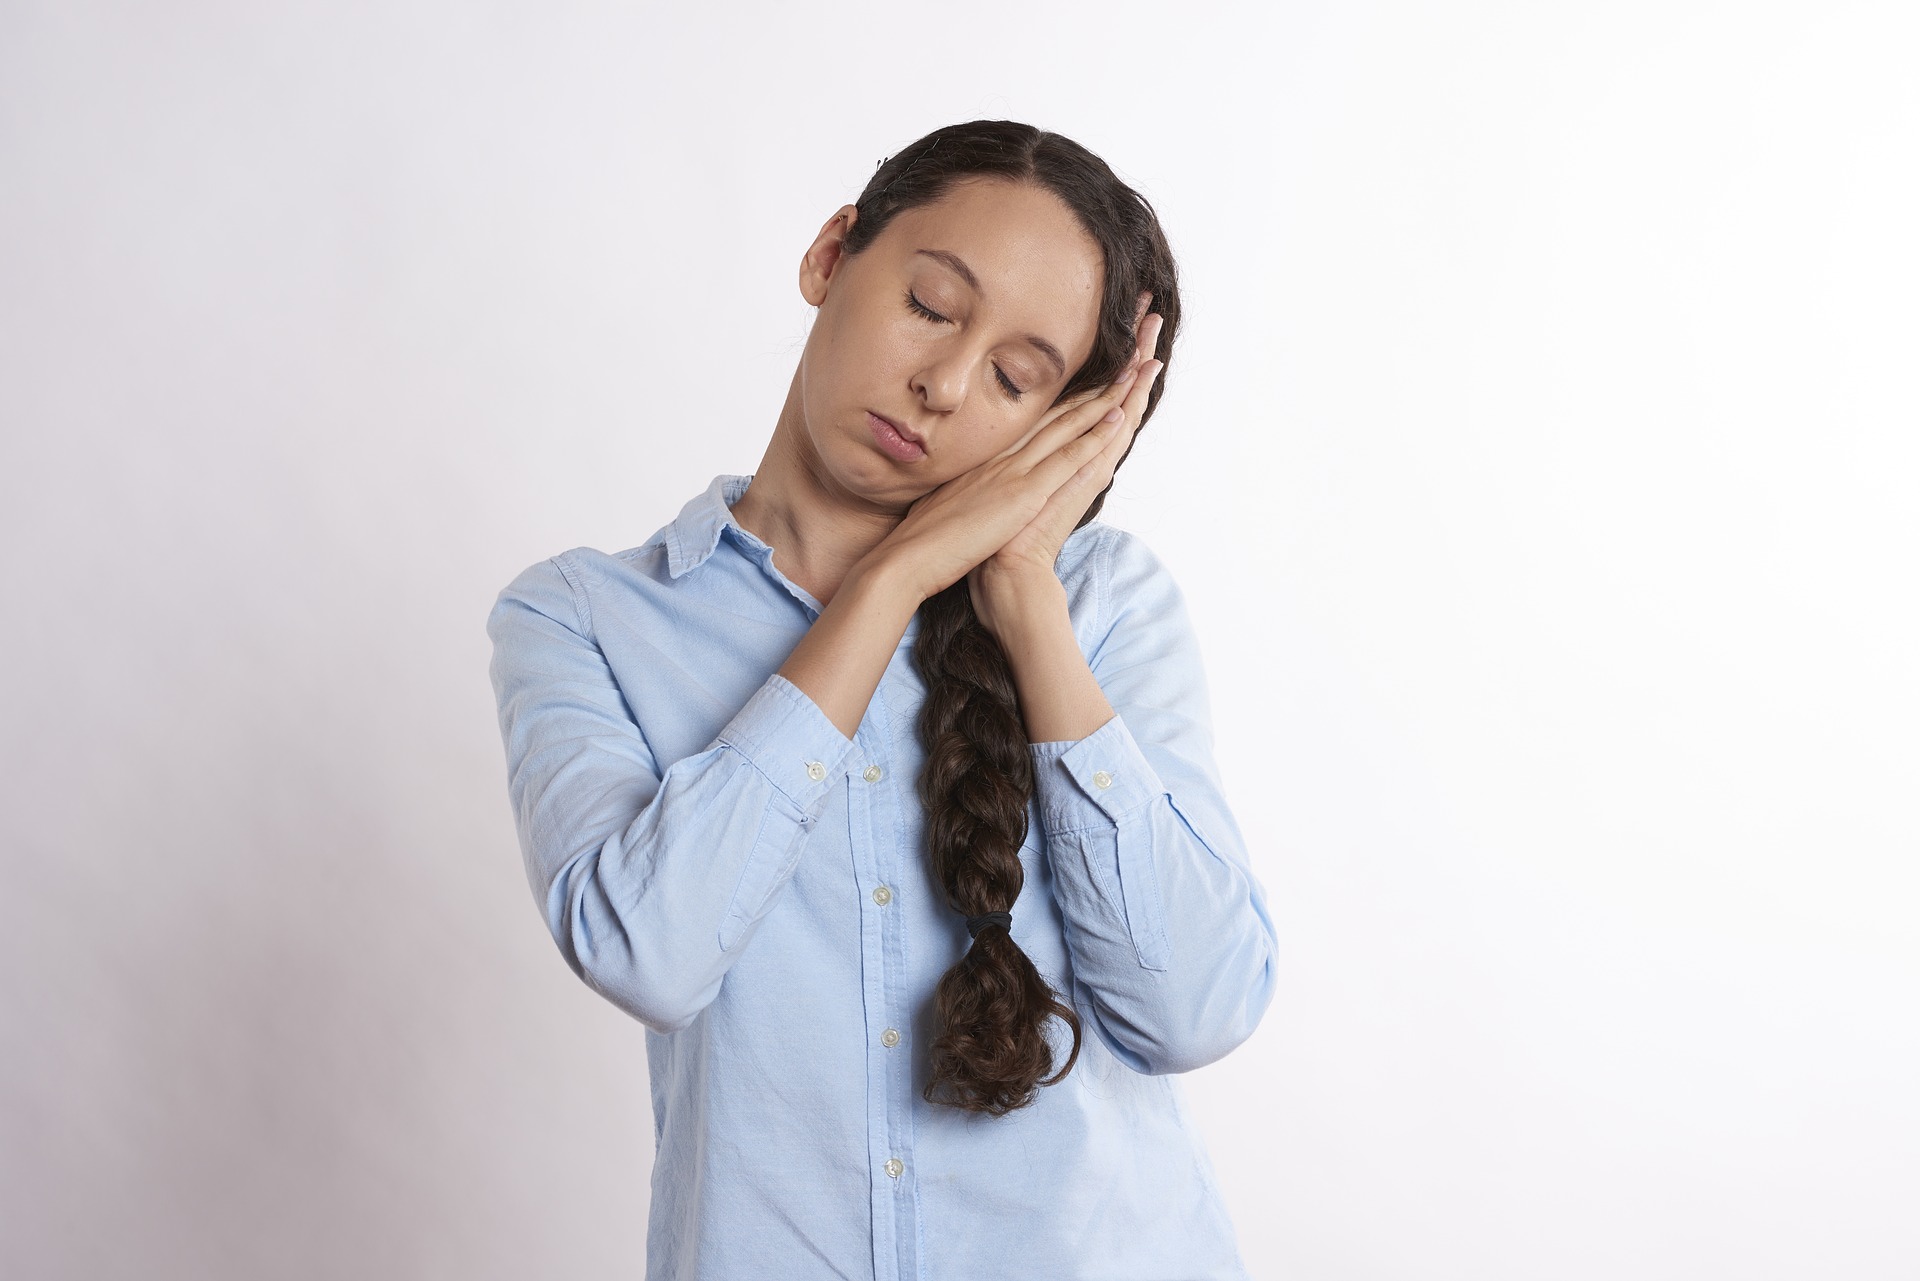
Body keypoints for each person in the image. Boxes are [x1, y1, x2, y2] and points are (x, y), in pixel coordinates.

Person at [486, 119, 1278, 1280]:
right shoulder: (581, 619)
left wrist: (1017, 591)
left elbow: (1196, 1009)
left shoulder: (1102, 606)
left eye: (1016, 379)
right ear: (831, 254)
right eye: (929, 306)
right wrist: (893, 578)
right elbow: (647, 954)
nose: (946, 385)